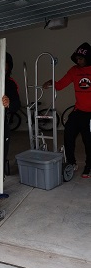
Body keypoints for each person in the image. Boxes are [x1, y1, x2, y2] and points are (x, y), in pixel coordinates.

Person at [43, 42, 91, 178]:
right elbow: (61, 84)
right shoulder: (74, 70)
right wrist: (52, 82)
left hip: (90, 114)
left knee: (89, 141)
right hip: (78, 111)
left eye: (81, 58)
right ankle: (71, 162)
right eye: (77, 58)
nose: (78, 60)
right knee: (68, 134)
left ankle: (88, 165)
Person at [2, 52, 21, 176]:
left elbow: (16, 104)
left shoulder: (9, 83)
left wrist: (8, 103)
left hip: (1, 123)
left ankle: (0, 174)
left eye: (5, 64)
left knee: (2, 150)